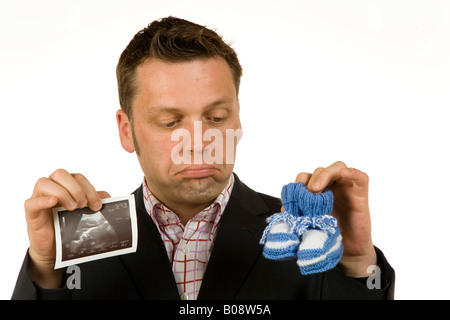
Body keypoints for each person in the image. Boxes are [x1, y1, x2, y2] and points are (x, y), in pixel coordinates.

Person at [12, 16, 394, 300]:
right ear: (126, 130)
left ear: (238, 117)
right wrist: (45, 268)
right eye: (169, 121)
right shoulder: (80, 244)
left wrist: (360, 262)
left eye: (216, 118)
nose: (198, 142)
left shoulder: (302, 235)